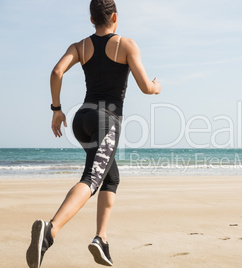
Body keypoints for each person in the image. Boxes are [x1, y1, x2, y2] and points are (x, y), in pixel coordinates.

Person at [26, 0, 161, 267]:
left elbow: (56, 72)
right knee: (92, 178)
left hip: (81, 119)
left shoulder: (80, 47)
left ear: (92, 19)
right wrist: (157, 87)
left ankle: (101, 239)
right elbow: (146, 87)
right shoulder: (126, 45)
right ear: (115, 18)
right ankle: (49, 233)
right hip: (106, 123)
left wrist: (56, 109)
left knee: (110, 177)